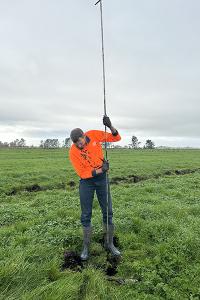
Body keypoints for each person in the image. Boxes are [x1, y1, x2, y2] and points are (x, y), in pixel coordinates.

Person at [69, 116, 121, 260]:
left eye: (81, 142)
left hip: (102, 180)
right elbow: (82, 173)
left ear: (84, 136)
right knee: (86, 215)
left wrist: (110, 125)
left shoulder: (94, 135)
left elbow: (116, 138)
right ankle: (86, 248)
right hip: (87, 182)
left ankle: (109, 244)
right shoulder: (73, 152)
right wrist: (100, 170)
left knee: (108, 212)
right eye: (77, 144)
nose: (80, 146)